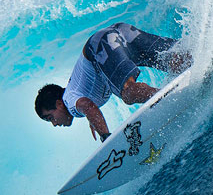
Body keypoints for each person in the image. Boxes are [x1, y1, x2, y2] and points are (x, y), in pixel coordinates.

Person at [35, 22, 191, 141]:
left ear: (59, 104)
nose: (55, 124)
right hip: (119, 31)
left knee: (128, 93)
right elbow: (88, 105)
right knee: (172, 60)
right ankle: (205, 59)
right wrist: (92, 118)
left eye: (50, 117)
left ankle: (174, 95)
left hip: (100, 46)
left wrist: (105, 136)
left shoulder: (69, 101)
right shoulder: (73, 90)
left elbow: (89, 106)